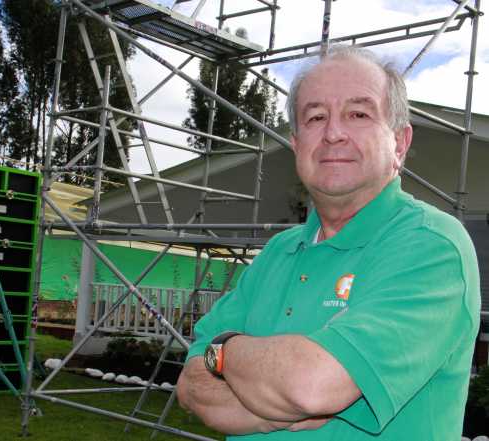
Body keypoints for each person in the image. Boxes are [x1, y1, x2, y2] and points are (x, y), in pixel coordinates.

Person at [176, 45, 481, 440]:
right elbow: (191, 385)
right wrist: (277, 411)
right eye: (316, 117)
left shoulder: (432, 245)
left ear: (400, 142)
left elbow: (313, 387)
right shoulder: (278, 252)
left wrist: (223, 350)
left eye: (359, 114)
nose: (334, 133)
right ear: (296, 142)